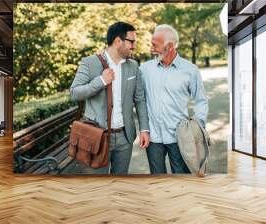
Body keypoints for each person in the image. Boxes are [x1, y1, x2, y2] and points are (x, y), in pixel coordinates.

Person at [70, 21, 150, 174]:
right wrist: (100, 81)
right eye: (131, 42)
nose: (134, 46)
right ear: (118, 41)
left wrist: (144, 129)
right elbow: (74, 93)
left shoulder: (133, 66)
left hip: (125, 138)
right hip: (97, 137)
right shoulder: (89, 63)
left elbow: (140, 99)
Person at [140, 24, 209, 174]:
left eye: (154, 45)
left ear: (169, 46)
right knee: (157, 179)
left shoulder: (190, 70)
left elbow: (201, 101)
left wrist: (197, 127)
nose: (151, 49)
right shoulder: (144, 70)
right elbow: (138, 99)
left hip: (179, 137)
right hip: (153, 138)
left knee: (181, 178)